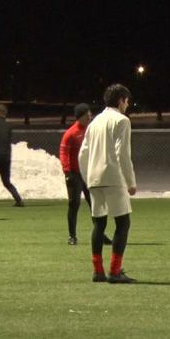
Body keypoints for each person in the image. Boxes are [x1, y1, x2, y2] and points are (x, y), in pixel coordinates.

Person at [78, 84, 137, 284]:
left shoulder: (94, 123)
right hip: (113, 177)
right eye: (127, 101)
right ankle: (115, 270)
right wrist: (130, 181)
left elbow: (82, 154)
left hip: (94, 178)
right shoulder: (122, 120)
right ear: (121, 100)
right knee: (123, 223)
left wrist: (88, 178)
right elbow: (122, 154)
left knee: (99, 223)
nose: (127, 105)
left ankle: (98, 271)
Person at [60, 103, 109, 246]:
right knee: (73, 204)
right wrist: (67, 170)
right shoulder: (71, 133)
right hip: (74, 174)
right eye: (87, 114)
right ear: (80, 116)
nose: (90, 116)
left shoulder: (91, 129)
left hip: (89, 173)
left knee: (95, 204)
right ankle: (72, 236)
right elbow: (63, 152)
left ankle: (100, 234)